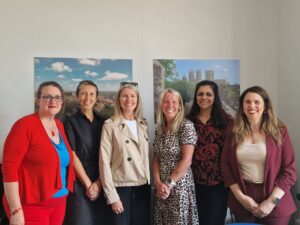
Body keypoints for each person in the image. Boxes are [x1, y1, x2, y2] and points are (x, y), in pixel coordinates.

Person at [1, 81, 75, 225]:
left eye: (57, 97)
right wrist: (15, 210)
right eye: (47, 97)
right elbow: (9, 168)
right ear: (38, 100)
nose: (53, 101)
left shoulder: (58, 125)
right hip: (31, 205)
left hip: (59, 203)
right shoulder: (24, 125)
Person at [221, 86, 297, 225]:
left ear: (265, 106)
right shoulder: (233, 130)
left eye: (257, 102)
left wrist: (271, 202)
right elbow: (225, 166)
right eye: (247, 102)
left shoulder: (279, 131)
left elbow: (289, 171)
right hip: (243, 200)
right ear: (242, 106)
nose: (252, 106)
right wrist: (241, 197)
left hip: (275, 198)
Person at [99, 82, 151, 225]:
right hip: (120, 187)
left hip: (142, 187)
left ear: (138, 99)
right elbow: (104, 162)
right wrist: (112, 196)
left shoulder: (143, 124)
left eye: (132, 96)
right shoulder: (110, 125)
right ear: (119, 100)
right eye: (124, 96)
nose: (129, 100)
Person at [187, 80, 232, 225]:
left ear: (215, 97)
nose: (204, 97)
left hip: (218, 184)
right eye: (200, 94)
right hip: (193, 183)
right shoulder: (188, 121)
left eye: (208, 94)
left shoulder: (227, 121)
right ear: (195, 97)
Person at [153, 88, 199, 225]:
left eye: (174, 102)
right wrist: (157, 183)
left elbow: (187, 160)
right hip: (161, 187)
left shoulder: (186, 126)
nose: (170, 105)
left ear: (179, 106)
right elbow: (156, 158)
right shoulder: (160, 128)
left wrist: (169, 185)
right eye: (166, 102)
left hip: (179, 187)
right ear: (161, 105)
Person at [63, 80, 106, 225]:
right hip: (79, 183)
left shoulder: (105, 122)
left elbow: (110, 154)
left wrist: (99, 183)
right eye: (83, 93)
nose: (87, 98)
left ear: (96, 97)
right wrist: (89, 185)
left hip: (104, 180)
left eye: (91, 94)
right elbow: (72, 155)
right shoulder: (69, 122)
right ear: (77, 96)